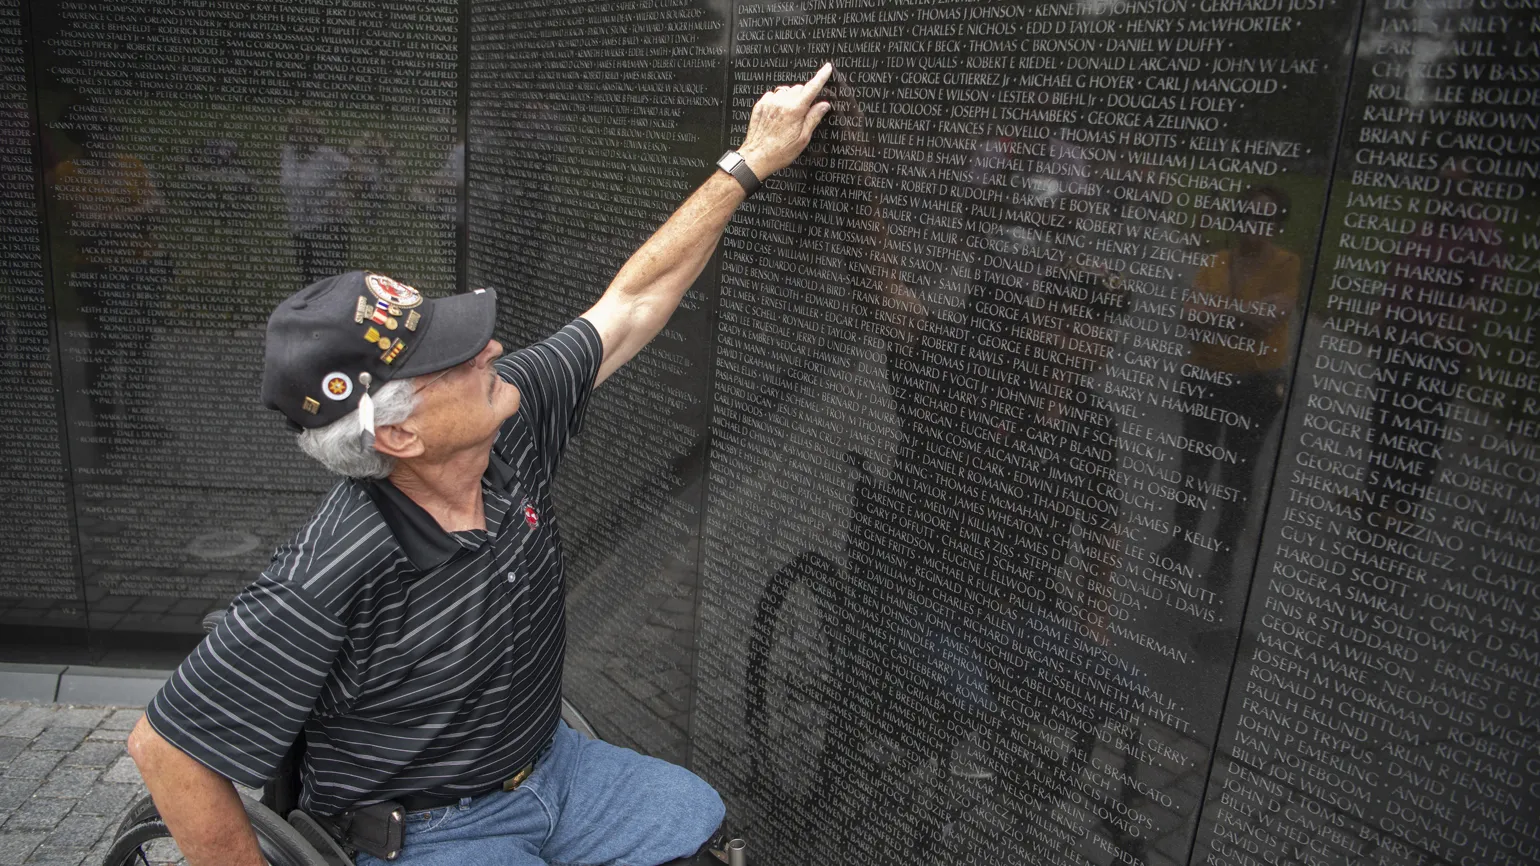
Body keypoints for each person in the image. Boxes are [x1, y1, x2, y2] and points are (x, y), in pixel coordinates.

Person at [126, 65, 835, 866]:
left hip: (553, 772)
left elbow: (632, 303)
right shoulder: (330, 571)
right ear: (396, 436)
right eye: (454, 360)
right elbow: (166, 749)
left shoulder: (510, 420)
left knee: (697, 822)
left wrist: (746, 162)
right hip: (432, 828)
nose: (492, 349)